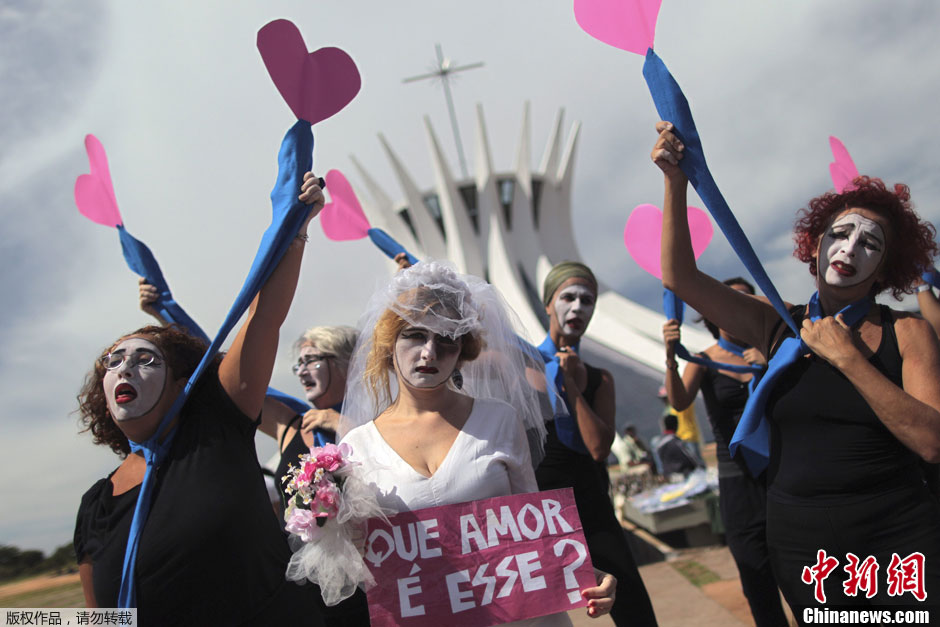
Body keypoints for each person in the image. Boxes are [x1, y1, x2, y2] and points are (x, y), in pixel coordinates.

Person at [653, 120, 940, 615]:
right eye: (841, 233)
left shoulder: (908, 332)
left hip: (898, 538)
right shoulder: (776, 325)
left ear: (887, 266)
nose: (850, 249)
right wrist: (675, 182)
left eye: (870, 243)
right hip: (803, 543)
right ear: (816, 243)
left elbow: (932, 441)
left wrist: (849, 358)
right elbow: (680, 276)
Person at [74, 173, 325, 624]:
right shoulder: (95, 504)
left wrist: (296, 229)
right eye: (114, 361)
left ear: (180, 385)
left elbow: (263, 316)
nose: (126, 368)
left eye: (146, 360)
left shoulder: (218, 429)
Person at [338, 261, 617, 624]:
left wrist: (585, 574)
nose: (428, 353)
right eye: (415, 334)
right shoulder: (358, 446)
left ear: (462, 352)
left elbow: (533, 528)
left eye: (446, 340)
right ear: (390, 341)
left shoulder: (500, 420)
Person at [534, 261, 658, 627]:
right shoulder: (522, 364)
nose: (577, 308)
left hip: (589, 500)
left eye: (587, 300)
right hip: (538, 506)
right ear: (547, 304)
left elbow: (599, 447)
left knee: (632, 602)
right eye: (568, 297)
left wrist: (571, 384)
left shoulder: (600, 378)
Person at [662, 278, 788, 626]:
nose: (739, 309)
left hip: (781, 472)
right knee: (756, 575)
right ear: (715, 312)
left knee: (800, 568)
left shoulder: (775, 351)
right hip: (737, 478)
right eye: (730, 302)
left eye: (747, 302)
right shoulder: (705, 360)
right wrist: (671, 356)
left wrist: (765, 366)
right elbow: (678, 401)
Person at [652, 414, 700, 478]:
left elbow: (659, 464)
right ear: (676, 425)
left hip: (668, 476)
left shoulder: (657, 444)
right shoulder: (676, 442)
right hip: (682, 475)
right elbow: (691, 459)